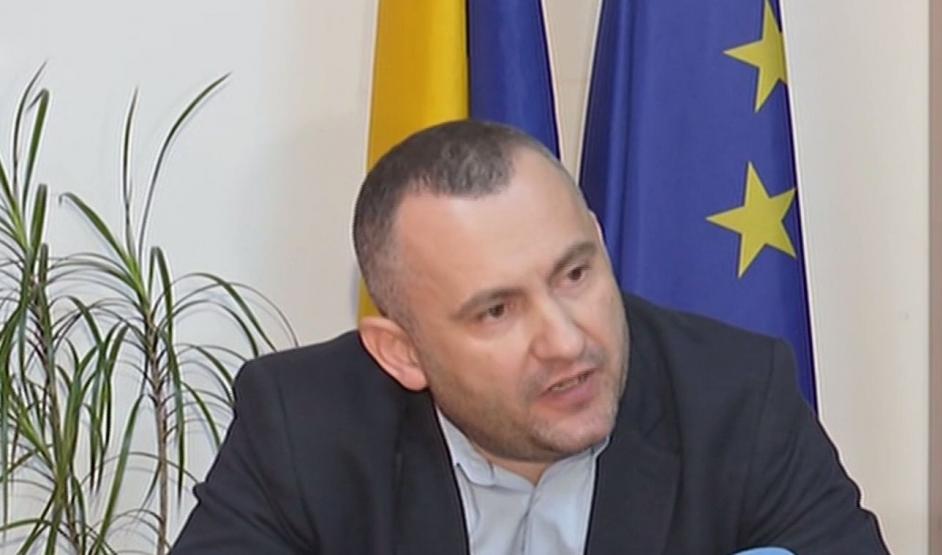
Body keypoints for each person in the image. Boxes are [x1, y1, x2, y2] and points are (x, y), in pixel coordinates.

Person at [170, 120, 888, 554]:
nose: (567, 342)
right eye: (496, 311)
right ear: (402, 353)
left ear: (600, 241)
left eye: (575, 273)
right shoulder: (303, 424)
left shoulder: (735, 399)